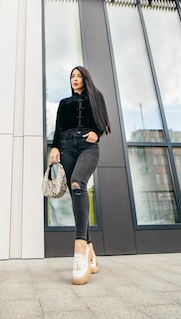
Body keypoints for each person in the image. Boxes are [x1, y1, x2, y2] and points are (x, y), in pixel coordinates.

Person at [49, 66, 111, 285]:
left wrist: (98, 132)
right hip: (66, 147)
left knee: (77, 182)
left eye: (78, 76)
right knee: (76, 194)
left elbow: (103, 120)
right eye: (72, 77)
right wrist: (54, 147)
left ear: (86, 78)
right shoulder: (64, 103)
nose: (75, 79)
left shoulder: (96, 97)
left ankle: (80, 245)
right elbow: (58, 127)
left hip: (87, 146)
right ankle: (91, 253)